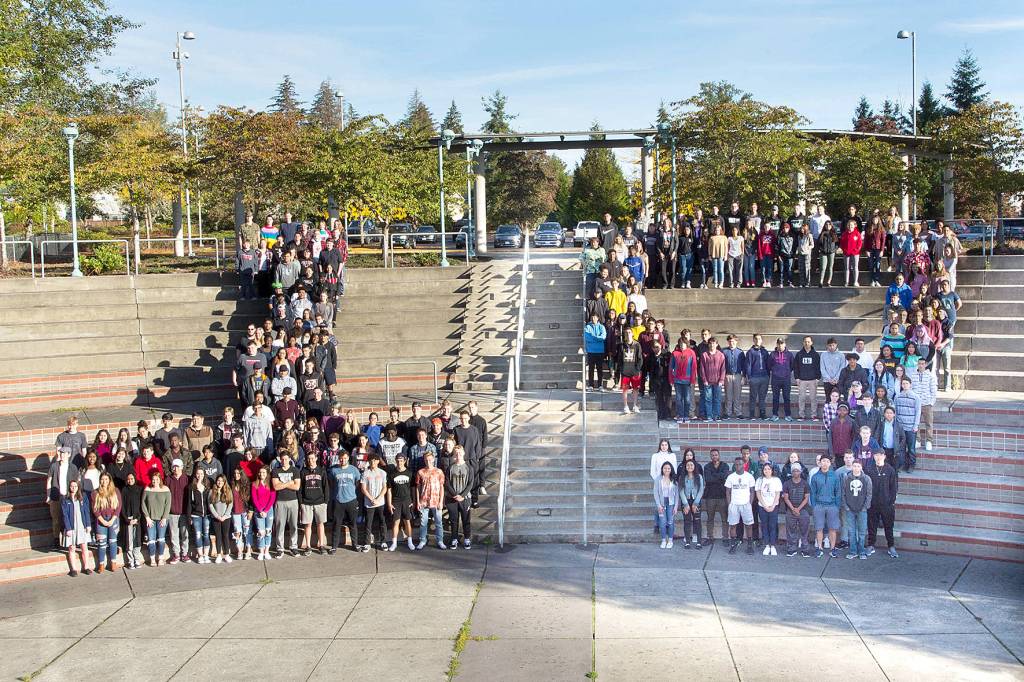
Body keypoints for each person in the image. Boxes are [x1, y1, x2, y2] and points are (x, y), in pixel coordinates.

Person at [327, 451, 361, 553]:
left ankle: (355, 544)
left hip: (351, 500)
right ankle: (334, 546)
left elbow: (358, 484)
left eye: (345, 458)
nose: (343, 460)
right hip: (338, 501)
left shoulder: (354, 470)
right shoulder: (334, 470)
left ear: (348, 459)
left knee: (353, 524)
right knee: (336, 524)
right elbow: (331, 485)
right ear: (338, 459)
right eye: (341, 458)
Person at [46, 447, 80, 550]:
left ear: (69, 455)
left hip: (69, 497)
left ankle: (69, 541)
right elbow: (49, 481)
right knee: (56, 519)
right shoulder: (54, 466)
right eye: (61, 453)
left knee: (69, 519)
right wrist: (48, 495)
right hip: (56, 496)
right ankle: (56, 540)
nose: (62, 455)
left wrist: (76, 495)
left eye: (64, 453)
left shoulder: (73, 467)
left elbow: (76, 482)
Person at [810, 454, 842, 558]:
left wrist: (837, 506)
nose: (825, 463)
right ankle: (819, 548)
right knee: (819, 528)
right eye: (823, 461)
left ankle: (832, 548)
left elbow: (838, 492)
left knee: (832, 528)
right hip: (819, 505)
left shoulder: (835, 476)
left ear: (830, 463)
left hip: (832, 506)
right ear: (820, 463)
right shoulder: (815, 476)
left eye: (827, 461)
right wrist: (814, 506)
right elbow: (813, 493)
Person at [444, 445, 475, 550]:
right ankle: (454, 539)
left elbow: (470, 484)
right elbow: (447, 483)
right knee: (453, 520)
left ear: (464, 453)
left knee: (466, 520)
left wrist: (462, 495)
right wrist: (454, 495)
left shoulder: (469, 467)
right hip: (452, 499)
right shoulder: (450, 468)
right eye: (456, 453)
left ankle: (466, 539)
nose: (458, 455)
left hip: (465, 499)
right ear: (454, 455)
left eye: (460, 453)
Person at [60, 478, 93, 576]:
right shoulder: (65, 499)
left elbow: (87, 511)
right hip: (71, 527)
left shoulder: (83, 497)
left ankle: (86, 567)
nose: (73, 488)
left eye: (75, 486)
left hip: (82, 526)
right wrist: (68, 528)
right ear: (69, 487)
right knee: (72, 548)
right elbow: (64, 514)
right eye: (71, 486)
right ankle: (73, 569)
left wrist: (88, 524)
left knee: (84, 547)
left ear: (78, 487)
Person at [271, 452, 301, 557]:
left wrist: (282, 483)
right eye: (282, 459)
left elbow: (297, 487)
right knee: (280, 526)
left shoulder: (295, 470)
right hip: (280, 501)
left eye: (286, 459)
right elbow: (276, 487)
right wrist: (289, 483)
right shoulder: (275, 471)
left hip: (293, 501)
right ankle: (280, 548)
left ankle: (293, 547)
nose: (284, 461)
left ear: (289, 459)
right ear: (280, 460)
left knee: (293, 525)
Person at [841, 460, 873, 559]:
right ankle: (853, 551)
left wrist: (865, 507)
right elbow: (843, 493)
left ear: (861, 467)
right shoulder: (846, 478)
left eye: (858, 466)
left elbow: (869, 494)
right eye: (854, 466)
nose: (856, 468)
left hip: (862, 510)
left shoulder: (866, 479)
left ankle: (862, 551)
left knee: (862, 531)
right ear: (852, 467)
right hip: (850, 509)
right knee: (851, 531)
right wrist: (846, 506)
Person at [299, 451, 328, 554]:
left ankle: (321, 545)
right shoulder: (303, 471)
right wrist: (301, 502)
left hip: (320, 502)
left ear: (316, 458)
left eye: (312, 458)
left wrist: (325, 501)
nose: (310, 460)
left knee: (320, 524)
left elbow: (326, 487)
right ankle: (308, 546)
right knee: (308, 525)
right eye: (308, 459)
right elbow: (300, 488)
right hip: (307, 502)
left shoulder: (322, 471)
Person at [415, 451, 446, 550]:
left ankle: (440, 540)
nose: (428, 462)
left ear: (433, 459)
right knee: (423, 522)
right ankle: (422, 540)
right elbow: (418, 487)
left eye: (430, 460)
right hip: (424, 500)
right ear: (424, 460)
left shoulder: (439, 472)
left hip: (436, 500)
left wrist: (441, 501)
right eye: (426, 460)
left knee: (438, 522)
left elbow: (442, 487)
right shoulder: (420, 472)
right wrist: (418, 501)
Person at [725, 457, 756, 554]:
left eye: (740, 464)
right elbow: (728, 491)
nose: (738, 466)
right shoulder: (731, 477)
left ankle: (750, 545)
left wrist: (749, 503)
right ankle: (733, 545)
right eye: (736, 464)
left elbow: (752, 491)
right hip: (734, 505)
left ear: (744, 465)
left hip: (746, 504)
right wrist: (730, 504)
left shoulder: (749, 476)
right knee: (733, 526)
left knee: (749, 526)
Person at [92, 472, 122, 572]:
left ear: (109, 480)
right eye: (102, 479)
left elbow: (118, 507)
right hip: (101, 520)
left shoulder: (116, 491)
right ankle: (101, 564)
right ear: (100, 480)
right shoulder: (95, 493)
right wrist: (103, 521)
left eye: (106, 479)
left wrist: (113, 519)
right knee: (102, 543)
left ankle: (113, 563)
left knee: (113, 542)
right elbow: (95, 509)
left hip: (113, 519)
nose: (104, 481)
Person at [386, 453, 415, 551]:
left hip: (407, 500)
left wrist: (413, 500)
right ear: (395, 461)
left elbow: (413, 489)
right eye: (398, 460)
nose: (399, 462)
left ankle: (410, 542)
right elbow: (389, 490)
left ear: (405, 461)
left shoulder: (410, 473)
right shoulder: (392, 474)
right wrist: (389, 503)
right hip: (396, 501)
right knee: (395, 522)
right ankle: (394, 543)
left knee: (407, 522)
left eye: (401, 460)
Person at [782, 462, 812, 557]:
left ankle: (805, 549)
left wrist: (798, 509)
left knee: (804, 530)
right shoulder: (787, 484)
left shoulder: (805, 484)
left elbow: (806, 498)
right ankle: (791, 548)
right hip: (791, 509)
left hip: (803, 509)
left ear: (800, 472)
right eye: (794, 471)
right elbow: (786, 498)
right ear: (791, 472)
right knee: (791, 530)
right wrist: (793, 509)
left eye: (797, 470)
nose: (796, 472)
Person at [142, 471, 171, 566]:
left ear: (160, 479)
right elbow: (143, 504)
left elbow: (168, 505)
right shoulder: (147, 489)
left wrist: (164, 518)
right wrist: (147, 517)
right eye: (153, 479)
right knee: (151, 540)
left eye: (157, 479)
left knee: (161, 539)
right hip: (150, 519)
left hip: (162, 519)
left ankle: (161, 558)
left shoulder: (165, 489)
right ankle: (152, 559)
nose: (155, 481)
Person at [755, 462, 783, 556]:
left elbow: (777, 494)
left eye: (769, 469)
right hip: (762, 506)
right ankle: (767, 545)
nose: (767, 471)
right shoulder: (759, 480)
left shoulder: (776, 480)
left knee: (772, 526)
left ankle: (773, 545)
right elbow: (758, 493)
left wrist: (773, 506)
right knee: (764, 525)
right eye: (765, 469)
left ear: (772, 470)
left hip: (773, 507)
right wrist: (765, 505)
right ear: (763, 470)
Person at [910, 356, 937, 452]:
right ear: (917, 364)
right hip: (916, 403)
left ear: (925, 364)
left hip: (927, 403)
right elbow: (911, 389)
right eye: (919, 364)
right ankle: (917, 440)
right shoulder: (913, 375)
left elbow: (933, 389)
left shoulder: (930, 376)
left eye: (923, 364)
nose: (921, 365)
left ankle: (929, 441)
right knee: (916, 423)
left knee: (928, 423)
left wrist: (931, 402)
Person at [698, 336, 726, 421]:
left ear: (717, 344)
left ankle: (716, 415)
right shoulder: (704, 355)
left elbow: (723, 368)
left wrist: (721, 380)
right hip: (708, 382)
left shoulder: (721, 355)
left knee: (717, 399)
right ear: (708, 344)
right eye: (710, 343)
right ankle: (709, 415)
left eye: (714, 343)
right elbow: (702, 368)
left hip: (718, 382)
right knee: (708, 399)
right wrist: (704, 380)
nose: (712, 345)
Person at [678, 460, 703, 549]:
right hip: (686, 501)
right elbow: (681, 491)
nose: (689, 467)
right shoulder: (682, 477)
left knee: (697, 521)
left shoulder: (699, 477)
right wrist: (685, 504)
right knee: (687, 521)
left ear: (694, 466)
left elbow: (701, 490)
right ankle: (688, 542)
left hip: (696, 501)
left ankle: (699, 542)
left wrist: (695, 503)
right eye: (688, 465)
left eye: (691, 465)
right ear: (685, 467)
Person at [208, 474, 234, 563]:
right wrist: (217, 516)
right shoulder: (212, 492)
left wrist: (225, 516)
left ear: (224, 482)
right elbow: (210, 505)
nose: (220, 482)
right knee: (218, 536)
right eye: (218, 480)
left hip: (226, 518)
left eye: (222, 481)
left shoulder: (228, 491)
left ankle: (226, 554)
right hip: (216, 518)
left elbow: (230, 504)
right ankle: (219, 554)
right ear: (216, 481)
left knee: (225, 536)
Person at [670, 339, 697, 423]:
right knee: (679, 399)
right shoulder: (674, 353)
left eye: (684, 344)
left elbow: (694, 367)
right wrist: (671, 379)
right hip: (677, 380)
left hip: (687, 380)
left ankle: (686, 415)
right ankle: (680, 415)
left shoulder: (691, 353)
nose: (682, 345)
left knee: (687, 399)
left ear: (687, 344)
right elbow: (671, 367)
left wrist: (693, 380)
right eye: (681, 344)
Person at [745, 334, 771, 420]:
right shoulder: (750, 352)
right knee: (753, 396)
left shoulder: (765, 351)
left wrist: (768, 376)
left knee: (762, 396)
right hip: (754, 378)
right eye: (756, 339)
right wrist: (749, 377)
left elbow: (768, 365)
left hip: (764, 377)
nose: (757, 340)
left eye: (759, 339)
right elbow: (748, 365)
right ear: (753, 340)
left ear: (761, 340)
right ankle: (751, 414)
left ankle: (762, 413)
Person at [768, 338, 794, 422]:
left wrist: (786, 372)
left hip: (786, 379)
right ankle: (775, 415)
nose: (780, 345)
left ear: (785, 344)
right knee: (775, 398)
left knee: (787, 397)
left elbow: (792, 365)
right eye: (779, 344)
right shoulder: (772, 354)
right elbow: (769, 365)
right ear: (776, 344)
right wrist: (775, 371)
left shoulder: (789, 354)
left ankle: (788, 415)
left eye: (782, 343)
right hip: (775, 379)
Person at [618, 328, 644, 414]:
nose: (628, 334)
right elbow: (619, 359)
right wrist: (622, 369)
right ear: (624, 335)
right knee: (625, 389)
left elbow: (640, 358)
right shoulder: (622, 345)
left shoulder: (637, 345)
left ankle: (635, 405)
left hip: (634, 372)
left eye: (629, 332)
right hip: (625, 372)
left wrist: (637, 369)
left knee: (635, 389)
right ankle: (625, 406)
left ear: (632, 334)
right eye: (626, 333)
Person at [838, 219, 863, 287]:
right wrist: (843, 249)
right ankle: (846, 282)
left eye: (851, 225)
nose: (850, 226)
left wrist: (856, 250)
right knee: (846, 268)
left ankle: (855, 281)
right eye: (849, 225)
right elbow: (842, 243)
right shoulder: (844, 234)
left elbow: (860, 243)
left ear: (854, 226)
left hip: (855, 253)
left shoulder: (857, 233)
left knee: (855, 267)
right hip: (846, 253)